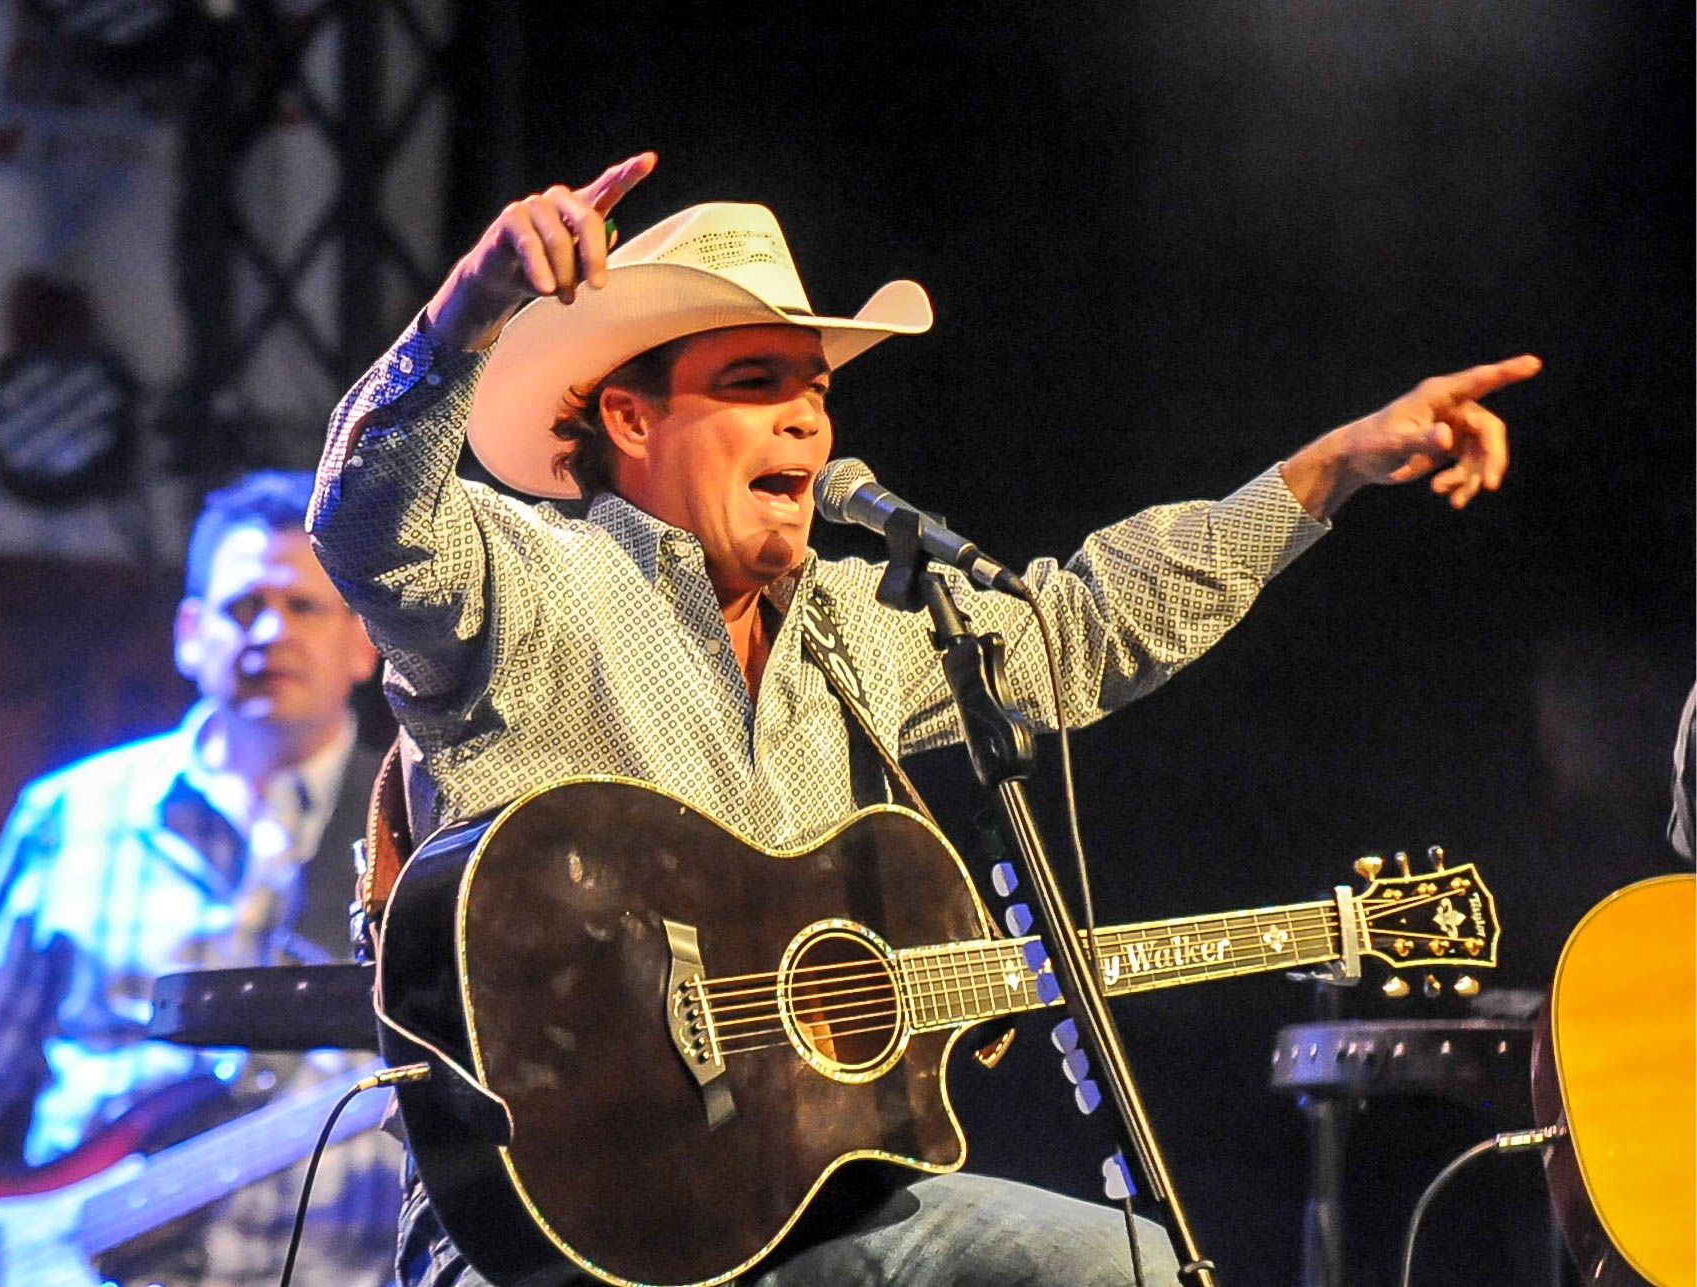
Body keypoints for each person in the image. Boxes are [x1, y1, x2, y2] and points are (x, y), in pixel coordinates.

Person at [307, 152, 1540, 1287]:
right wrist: (463, 315)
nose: (807, 420)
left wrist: (1327, 470)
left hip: (805, 1213)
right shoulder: (520, 578)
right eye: (754, 385)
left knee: (1125, 1267)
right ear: (629, 419)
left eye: (815, 392)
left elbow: (1081, 627)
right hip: (557, 1232)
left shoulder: (858, 625)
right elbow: (365, 524)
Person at [0, 471, 405, 1287]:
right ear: (189, 634)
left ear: (363, 642)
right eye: (243, 606)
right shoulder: (73, 813)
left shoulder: (422, 832)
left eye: (303, 606)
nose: (271, 632)